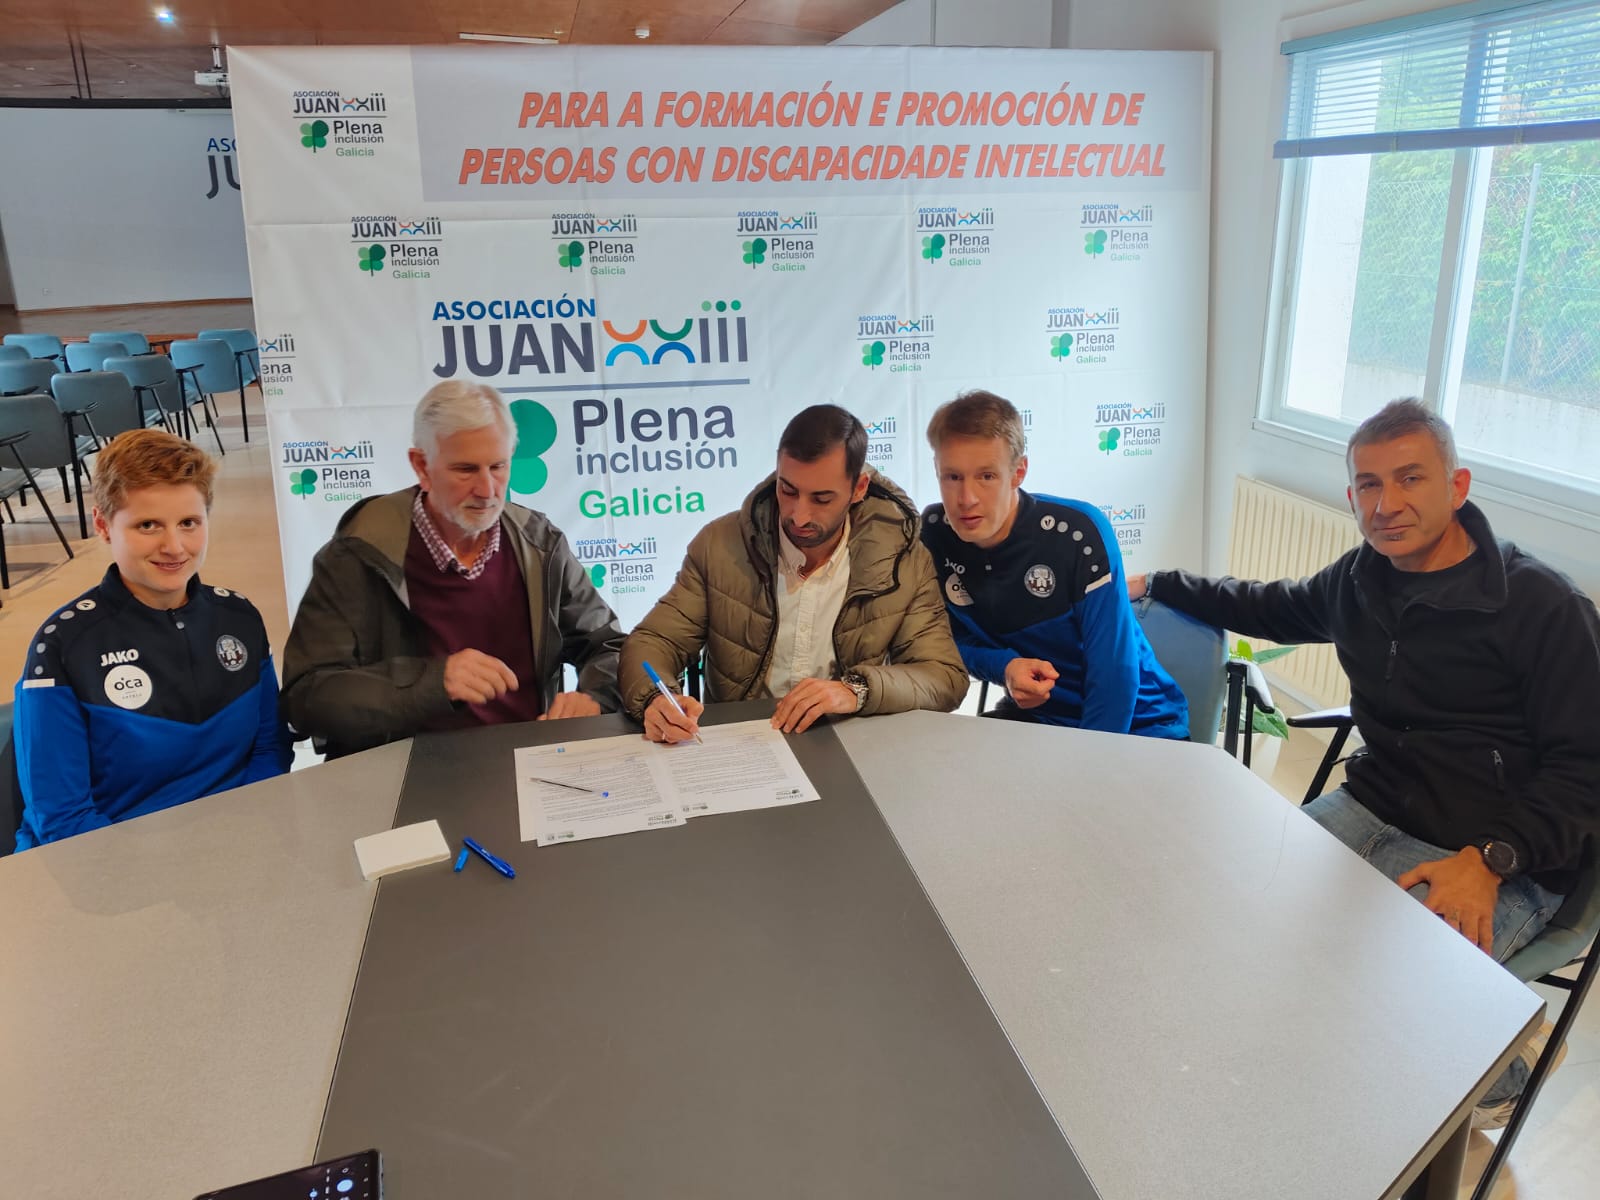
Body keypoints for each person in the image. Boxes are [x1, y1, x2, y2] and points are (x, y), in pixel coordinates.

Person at [1131, 397, 1600, 1127]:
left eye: (1410, 479)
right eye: (1369, 485)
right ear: (1352, 498)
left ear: (1457, 485)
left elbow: (1586, 769)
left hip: (1495, 851)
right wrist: (1160, 583)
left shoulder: (1542, 606)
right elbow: (1271, 606)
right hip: (1372, 806)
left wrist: (1491, 859)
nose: (1387, 504)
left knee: (1369, 1025)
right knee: (1231, 920)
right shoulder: (1362, 577)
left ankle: (1504, 1070)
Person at [282, 381, 623, 757]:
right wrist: (431, 683)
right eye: (465, 469)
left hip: (532, 763)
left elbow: (607, 645)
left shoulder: (540, 545)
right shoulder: (358, 555)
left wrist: (594, 697)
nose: (487, 489)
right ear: (421, 466)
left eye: (498, 466)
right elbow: (307, 697)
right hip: (407, 774)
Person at [12, 429, 290, 849]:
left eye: (189, 523)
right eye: (148, 525)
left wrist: (240, 838)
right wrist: (175, 865)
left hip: (236, 843)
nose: (174, 546)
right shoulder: (62, 647)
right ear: (103, 526)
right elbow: (63, 818)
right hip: (110, 861)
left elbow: (270, 749)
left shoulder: (240, 618)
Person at [620, 404, 967, 741]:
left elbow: (943, 677)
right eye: (788, 490)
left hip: (851, 745)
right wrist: (656, 699)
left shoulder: (903, 558)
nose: (799, 516)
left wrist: (856, 691)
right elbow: (653, 642)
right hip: (741, 745)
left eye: (822, 499)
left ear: (859, 489)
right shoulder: (719, 545)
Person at [921, 390, 1188, 737]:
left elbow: (1114, 675)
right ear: (936, 470)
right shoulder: (934, 533)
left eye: (986, 476)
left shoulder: (1078, 533)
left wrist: (1083, 762)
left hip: (1140, 725)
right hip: (1041, 720)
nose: (966, 499)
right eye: (953, 477)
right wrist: (1004, 666)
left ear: (1018, 472)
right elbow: (942, 642)